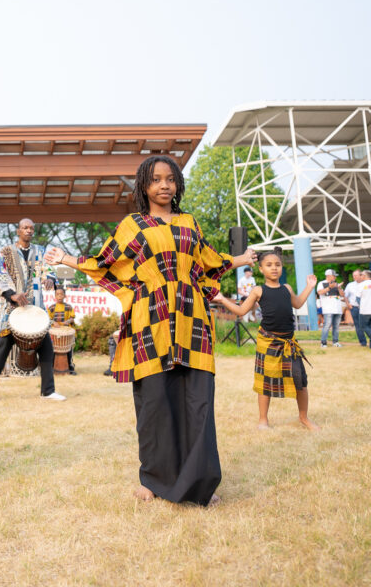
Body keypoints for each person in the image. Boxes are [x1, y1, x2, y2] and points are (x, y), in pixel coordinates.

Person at [45, 155, 256, 507]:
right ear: (144, 185)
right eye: (156, 179)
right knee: (155, 403)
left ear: (177, 184)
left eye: (170, 179)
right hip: (150, 322)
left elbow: (208, 262)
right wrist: (68, 259)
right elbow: (105, 262)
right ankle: (153, 480)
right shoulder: (133, 225)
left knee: (197, 403)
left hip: (193, 322)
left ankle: (201, 483)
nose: (164, 185)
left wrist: (239, 259)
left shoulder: (190, 222)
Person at [213, 248, 319, 430]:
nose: (274, 268)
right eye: (269, 265)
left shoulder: (287, 288)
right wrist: (223, 300)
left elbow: (298, 303)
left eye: (277, 265)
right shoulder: (258, 290)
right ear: (261, 269)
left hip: (289, 342)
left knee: (300, 380)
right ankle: (263, 419)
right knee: (265, 382)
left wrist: (309, 286)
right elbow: (241, 311)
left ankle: (304, 417)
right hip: (268, 341)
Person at [0, 218, 65, 402]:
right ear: (18, 231)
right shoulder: (6, 252)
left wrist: (50, 279)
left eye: (31, 228)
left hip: (35, 310)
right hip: (12, 310)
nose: (29, 230)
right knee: (1, 349)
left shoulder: (40, 251)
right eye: (25, 228)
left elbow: (47, 270)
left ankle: (48, 391)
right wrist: (12, 294)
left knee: (47, 349)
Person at [47, 287, 77, 374]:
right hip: (54, 334)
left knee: (69, 351)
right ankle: (52, 367)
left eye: (61, 294)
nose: (59, 296)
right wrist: (54, 322)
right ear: (55, 296)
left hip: (66, 333)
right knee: (52, 350)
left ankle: (70, 367)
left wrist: (66, 322)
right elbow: (48, 318)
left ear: (65, 296)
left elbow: (72, 318)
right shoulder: (52, 307)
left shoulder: (68, 307)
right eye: (57, 294)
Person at [317, 269, 345, 348]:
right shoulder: (321, 283)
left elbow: (342, 295)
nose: (335, 277)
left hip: (337, 308)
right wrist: (329, 287)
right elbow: (319, 292)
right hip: (328, 309)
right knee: (327, 325)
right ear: (329, 276)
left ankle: (335, 342)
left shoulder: (337, 284)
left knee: (336, 326)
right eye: (334, 276)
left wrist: (339, 288)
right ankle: (323, 342)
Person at [343, 270, 367, 347]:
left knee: (367, 325)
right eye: (353, 276)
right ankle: (363, 342)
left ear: (361, 275)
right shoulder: (350, 285)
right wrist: (348, 304)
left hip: (366, 308)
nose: (354, 277)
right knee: (358, 325)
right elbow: (345, 295)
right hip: (355, 308)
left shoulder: (366, 284)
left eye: (356, 275)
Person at [358, 270, 371, 347]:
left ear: (365, 276)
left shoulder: (361, 285)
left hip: (365, 310)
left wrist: (360, 305)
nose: (360, 276)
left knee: (364, 326)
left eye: (361, 274)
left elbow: (357, 298)